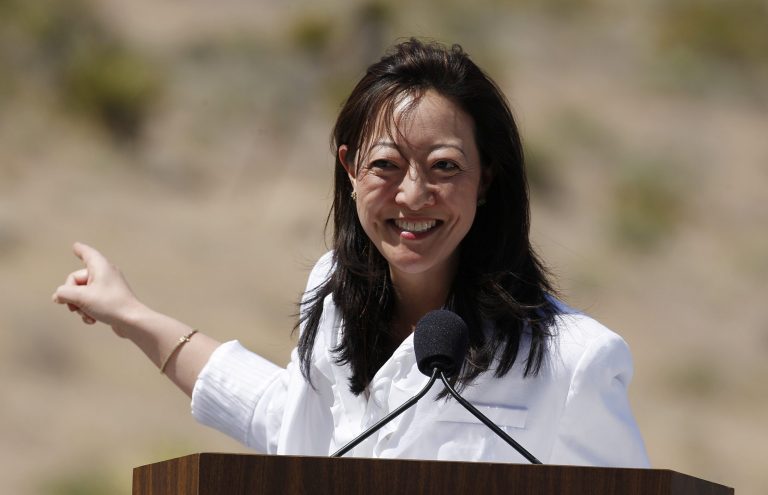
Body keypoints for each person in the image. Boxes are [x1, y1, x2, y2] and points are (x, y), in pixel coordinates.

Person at [52, 39, 649, 467]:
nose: (413, 195)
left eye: (444, 167)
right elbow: (292, 425)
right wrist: (129, 315)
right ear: (350, 169)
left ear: (486, 178)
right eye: (386, 166)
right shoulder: (335, 295)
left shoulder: (576, 363)